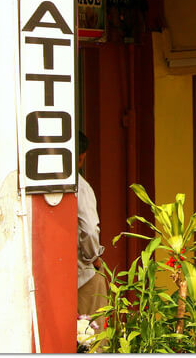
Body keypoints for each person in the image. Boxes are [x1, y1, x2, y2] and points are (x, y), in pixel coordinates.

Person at [77, 132, 107, 317]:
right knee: (92, 337)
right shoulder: (80, 187)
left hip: (54, 277)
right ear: (81, 157)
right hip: (83, 273)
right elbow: (89, 229)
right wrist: (93, 257)